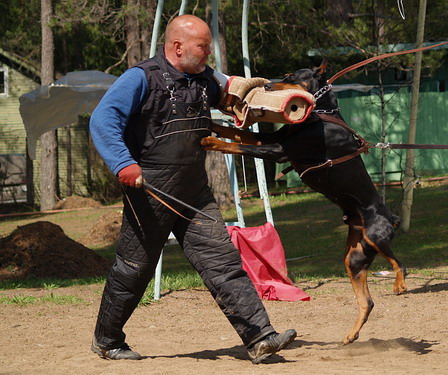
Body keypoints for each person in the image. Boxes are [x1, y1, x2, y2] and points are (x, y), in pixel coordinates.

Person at [89, 14, 296, 364]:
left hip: (193, 189)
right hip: (151, 189)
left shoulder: (203, 78)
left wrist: (267, 102)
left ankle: (259, 337)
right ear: (177, 46)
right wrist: (123, 164)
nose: (208, 53)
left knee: (223, 262)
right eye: (203, 46)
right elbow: (103, 119)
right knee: (134, 269)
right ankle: (107, 340)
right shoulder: (140, 78)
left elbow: (235, 97)